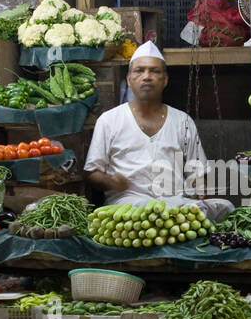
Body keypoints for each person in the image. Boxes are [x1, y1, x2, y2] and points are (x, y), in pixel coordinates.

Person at [84, 40, 234, 221]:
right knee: (139, 217)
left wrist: (200, 188)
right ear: (129, 80)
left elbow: (197, 171)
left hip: (175, 204)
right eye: (139, 71)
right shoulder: (109, 120)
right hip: (129, 206)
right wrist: (110, 182)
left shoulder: (182, 120)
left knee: (225, 207)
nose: (147, 76)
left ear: (165, 80)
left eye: (154, 71)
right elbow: (93, 172)